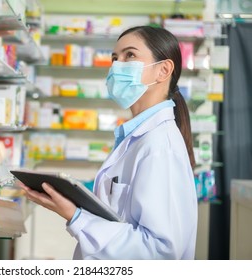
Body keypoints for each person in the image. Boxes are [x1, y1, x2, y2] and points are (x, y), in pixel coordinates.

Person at [19, 26, 198, 260]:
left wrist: (76, 216)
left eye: (129, 55)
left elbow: (160, 252)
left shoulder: (159, 145)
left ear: (163, 70)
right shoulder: (139, 137)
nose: (116, 66)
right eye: (114, 58)